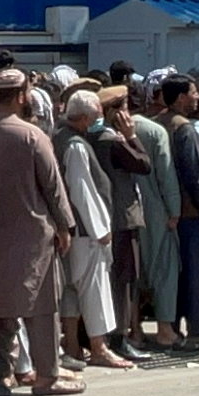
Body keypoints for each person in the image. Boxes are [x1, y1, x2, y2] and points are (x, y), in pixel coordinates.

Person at [0, 69, 80, 394]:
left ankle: (2, 374)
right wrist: (65, 226)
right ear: (21, 96)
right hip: (33, 235)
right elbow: (53, 187)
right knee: (42, 309)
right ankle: (46, 377)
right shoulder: (32, 136)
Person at [55, 90, 136, 369]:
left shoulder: (59, 136)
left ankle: (74, 347)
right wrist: (100, 229)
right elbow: (81, 190)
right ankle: (99, 347)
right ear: (87, 117)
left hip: (71, 230)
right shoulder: (75, 144)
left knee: (71, 291)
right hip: (85, 233)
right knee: (94, 288)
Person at [94, 87, 155, 358]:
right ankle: (120, 336)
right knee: (125, 279)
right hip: (122, 216)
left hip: (104, 216)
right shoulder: (113, 140)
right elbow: (143, 164)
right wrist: (132, 137)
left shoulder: (92, 136)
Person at [162, 78, 199, 343]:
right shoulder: (183, 128)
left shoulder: (158, 121)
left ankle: (172, 327)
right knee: (197, 273)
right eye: (193, 92)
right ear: (180, 98)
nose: (197, 98)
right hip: (189, 211)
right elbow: (194, 172)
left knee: (175, 273)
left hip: (166, 209)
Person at [128, 85, 182, 351]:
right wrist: (174, 211)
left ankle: (134, 329)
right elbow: (166, 174)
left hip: (123, 210)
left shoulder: (105, 130)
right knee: (164, 269)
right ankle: (164, 329)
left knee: (130, 272)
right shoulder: (154, 131)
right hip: (155, 209)